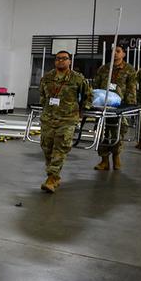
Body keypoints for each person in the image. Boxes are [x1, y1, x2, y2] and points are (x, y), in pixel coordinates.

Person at [37, 51, 91, 192]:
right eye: (58, 59)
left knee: (60, 148)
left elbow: (87, 96)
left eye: (64, 59)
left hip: (67, 119)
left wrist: (81, 113)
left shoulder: (77, 79)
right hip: (48, 118)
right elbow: (42, 95)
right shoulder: (47, 77)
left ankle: (52, 177)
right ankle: (54, 176)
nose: (61, 61)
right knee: (47, 148)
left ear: (70, 61)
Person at [92, 41, 136, 170]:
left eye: (118, 51)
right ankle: (104, 160)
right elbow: (96, 87)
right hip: (104, 106)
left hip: (120, 107)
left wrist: (129, 106)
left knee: (118, 132)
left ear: (124, 54)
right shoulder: (104, 68)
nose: (115, 54)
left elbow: (131, 89)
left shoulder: (129, 69)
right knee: (103, 132)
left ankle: (116, 157)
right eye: (113, 51)